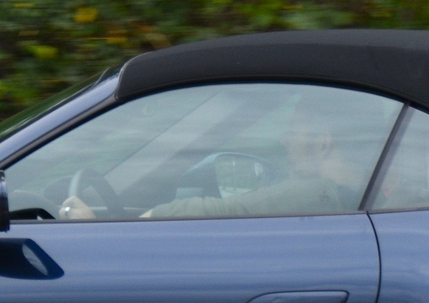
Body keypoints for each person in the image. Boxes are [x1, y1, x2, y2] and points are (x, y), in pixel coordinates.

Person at [56, 94, 374, 220]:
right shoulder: (351, 204)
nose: (284, 140)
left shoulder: (322, 196)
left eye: (294, 131)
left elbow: (230, 210)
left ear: (323, 144)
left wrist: (99, 225)